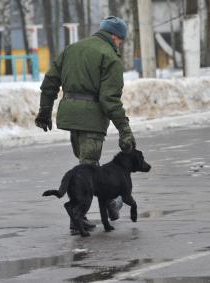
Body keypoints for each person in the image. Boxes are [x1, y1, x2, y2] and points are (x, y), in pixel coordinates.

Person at [35, 16, 135, 235]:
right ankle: (81, 217)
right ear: (116, 37)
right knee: (88, 166)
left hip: (70, 117)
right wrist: (124, 129)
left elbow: (50, 81)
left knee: (87, 166)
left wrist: (44, 110)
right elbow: (110, 100)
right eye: (121, 41)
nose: (120, 44)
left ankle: (107, 206)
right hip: (92, 119)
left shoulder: (73, 48)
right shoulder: (109, 57)